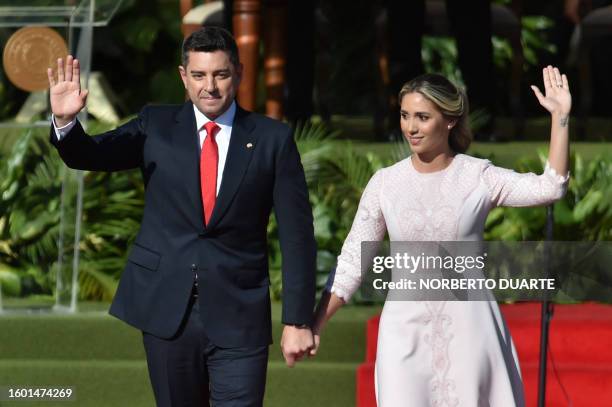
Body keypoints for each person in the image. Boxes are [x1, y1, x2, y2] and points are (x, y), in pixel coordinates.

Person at [47, 27, 317, 406]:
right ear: (183, 76)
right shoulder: (155, 125)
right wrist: (66, 124)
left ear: (238, 73)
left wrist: (298, 320)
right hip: (166, 311)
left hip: (239, 313)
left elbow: (297, 235)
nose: (210, 86)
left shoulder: (272, 139)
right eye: (199, 75)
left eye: (221, 74)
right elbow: (90, 155)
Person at [311, 66, 571, 406]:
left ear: (449, 120)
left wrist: (560, 118)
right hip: (403, 334)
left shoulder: (479, 176)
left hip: (469, 330)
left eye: (422, 116)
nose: (410, 127)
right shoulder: (385, 184)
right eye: (405, 115)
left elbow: (550, 187)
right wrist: (315, 323)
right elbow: (350, 265)